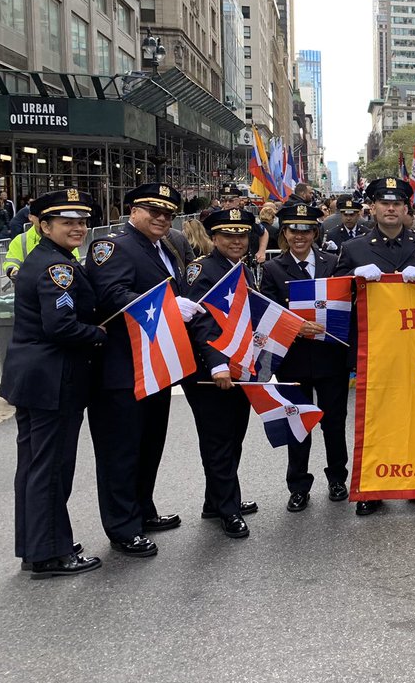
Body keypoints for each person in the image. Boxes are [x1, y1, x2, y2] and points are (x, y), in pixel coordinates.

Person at [86, 183, 202, 557]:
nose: (162, 218)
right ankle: (123, 528)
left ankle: (142, 510)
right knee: (120, 452)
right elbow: (111, 294)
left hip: (154, 365)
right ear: (133, 210)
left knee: (149, 444)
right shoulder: (112, 247)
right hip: (121, 368)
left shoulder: (165, 247)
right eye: (154, 211)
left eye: (168, 213)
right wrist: (169, 307)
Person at [1, 190, 106, 578]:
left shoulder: (48, 257)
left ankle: (37, 546)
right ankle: (51, 553)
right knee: (51, 468)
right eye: (67, 222)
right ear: (43, 226)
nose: (78, 228)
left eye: (82, 221)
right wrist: (98, 333)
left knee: (34, 465)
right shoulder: (56, 267)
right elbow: (61, 326)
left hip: (34, 377)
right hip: (53, 379)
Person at [333, 177, 415, 515]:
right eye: (384, 203)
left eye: (397, 203)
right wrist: (354, 278)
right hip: (376, 348)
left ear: (405, 208)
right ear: (372, 207)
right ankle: (373, 488)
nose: (390, 208)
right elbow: (336, 294)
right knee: (375, 418)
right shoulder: (354, 249)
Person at [259, 204, 349, 513]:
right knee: (297, 425)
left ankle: (337, 478)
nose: (300, 236)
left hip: (330, 358)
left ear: (315, 233)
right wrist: (294, 327)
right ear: (284, 233)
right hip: (293, 360)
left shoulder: (333, 263)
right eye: (293, 230)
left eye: (306, 230)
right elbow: (267, 313)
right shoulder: (273, 269)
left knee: (334, 424)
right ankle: (298, 486)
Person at [182, 208, 264, 539]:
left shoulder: (241, 268)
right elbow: (199, 319)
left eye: (242, 235)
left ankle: (215, 501)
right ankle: (228, 509)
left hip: (238, 367)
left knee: (233, 438)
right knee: (218, 441)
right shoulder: (202, 269)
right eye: (229, 235)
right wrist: (216, 363)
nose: (236, 241)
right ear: (214, 238)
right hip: (210, 372)